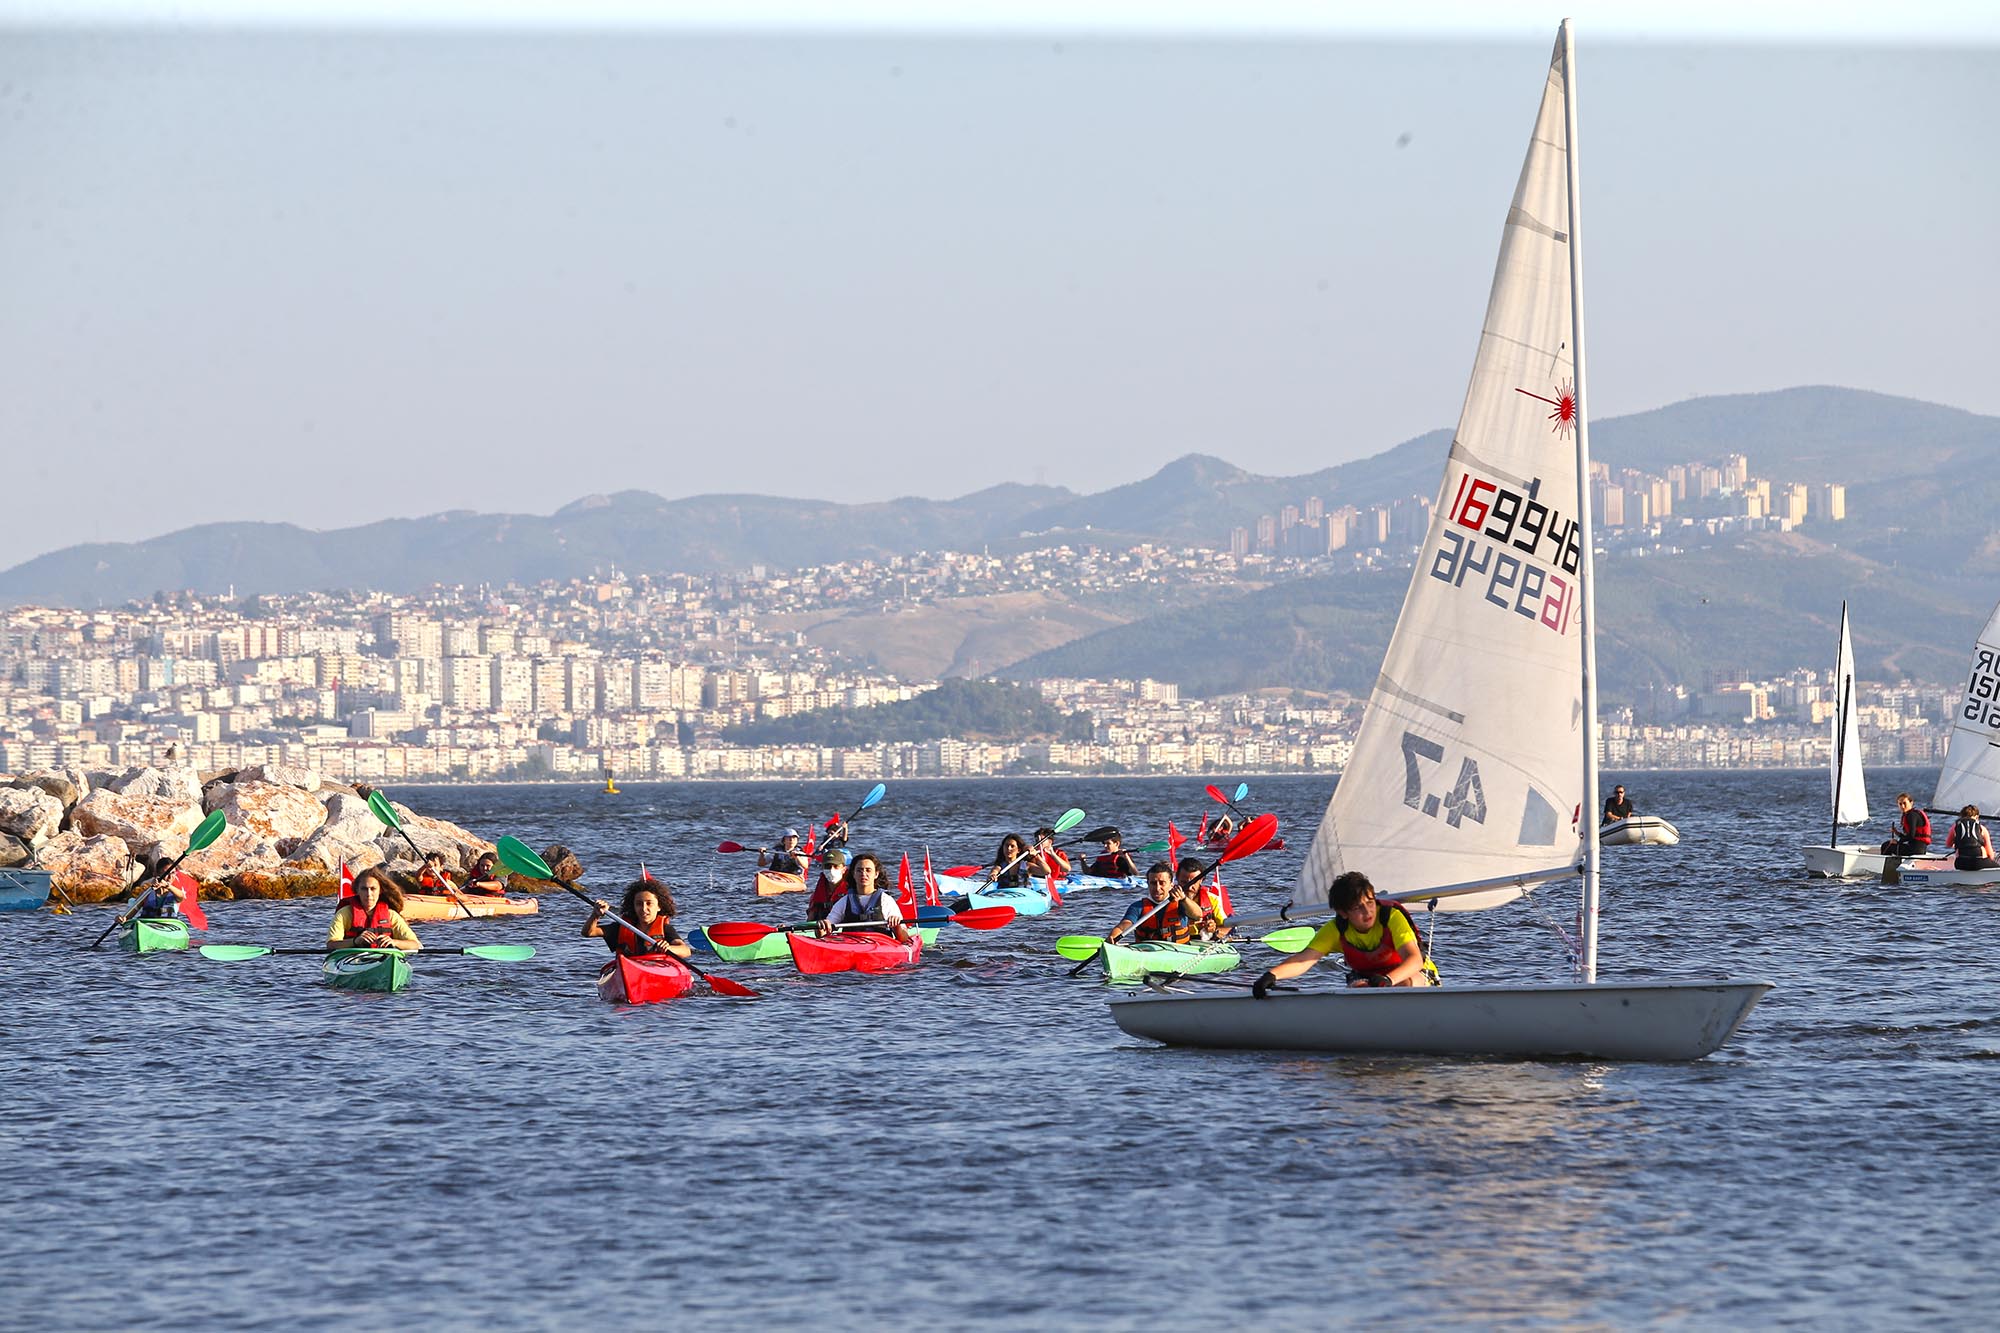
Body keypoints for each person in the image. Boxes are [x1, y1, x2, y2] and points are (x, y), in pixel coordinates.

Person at [1251, 870, 1435, 996]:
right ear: (1343, 913)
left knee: (1402, 983)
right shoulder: (1336, 930)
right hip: (1372, 982)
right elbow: (1303, 960)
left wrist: (1388, 980)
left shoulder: (1391, 917)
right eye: (1358, 908)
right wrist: (1270, 976)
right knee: (1358, 988)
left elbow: (1415, 960)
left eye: (1370, 903)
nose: (1368, 912)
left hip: (1414, 978)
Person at [816, 852, 913, 943]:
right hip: (851, 946)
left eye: (868, 870)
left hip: (880, 946)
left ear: (876, 874)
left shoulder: (886, 901)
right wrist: (822, 927)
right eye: (859, 870)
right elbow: (824, 933)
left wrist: (897, 926)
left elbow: (903, 938)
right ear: (854, 874)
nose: (863, 874)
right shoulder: (844, 901)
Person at [584, 879, 692, 959]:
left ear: (659, 907)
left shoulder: (665, 929)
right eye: (639, 904)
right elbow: (588, 932)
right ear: (633, 906)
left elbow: (686, 951)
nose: (644, 909)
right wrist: (595, 915)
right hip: (628, 970)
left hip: (655, 969)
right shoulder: (621, 927)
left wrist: (669, 948)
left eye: (649, 903)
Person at [1105, 861, 1204, 945]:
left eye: (1162, 883)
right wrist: (1114, 935)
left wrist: (1184, 899)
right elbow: (1125, 924)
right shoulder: (1138, 907)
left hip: (1179, 951)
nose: (1157, 888)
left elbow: (1198, 915)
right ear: (1147, 884)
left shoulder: (1181, 904)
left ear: (1171, 884)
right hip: (1147, 951)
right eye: (1153, 883)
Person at [328, 868, 422, 952]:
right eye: (364, 889)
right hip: (352, 958)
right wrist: (355, 941)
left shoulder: (391, 915)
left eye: (373, 889)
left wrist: (394, 942)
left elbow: (415, 944)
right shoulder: (344, 914)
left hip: (383, 958)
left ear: (380, 891)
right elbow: (331, 944)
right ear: (357, 890)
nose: (368, 894)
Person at [1174, 855, 1230, 939]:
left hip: (1201, 942)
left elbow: (1226, 927)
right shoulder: (1165, 898)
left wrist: (1214, 930)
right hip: (1174, 942)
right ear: (1177, 878)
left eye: (1193, 882)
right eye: (1184, 882)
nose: (1189, 887)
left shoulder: (1212, 899)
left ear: (1201, 880)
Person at [806, 847, 851, 922]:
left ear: (844, 869)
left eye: (836, 866)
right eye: (828, 867)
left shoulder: (852, 891)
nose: (831, 870)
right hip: (821, 928)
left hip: (844, 927)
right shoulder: (816, 894)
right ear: (822, 868)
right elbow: (810, 919)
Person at [1947, 806, 1999, 871]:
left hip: (1961, 864)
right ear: (1977, 817)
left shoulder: (1955, 826)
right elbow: (1990, 853)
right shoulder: (1982, 828)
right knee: (1997, 867)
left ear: (1962, 816)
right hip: (1979, 862)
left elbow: (1948, 844)